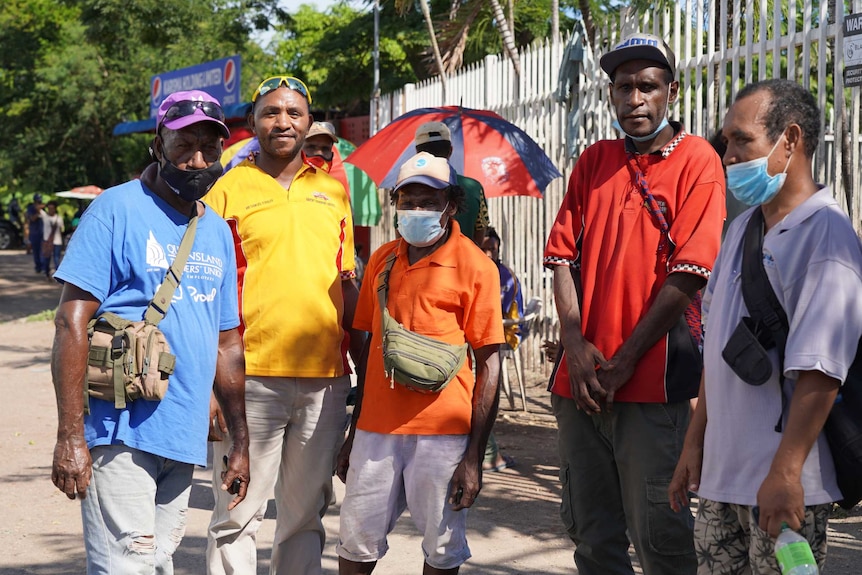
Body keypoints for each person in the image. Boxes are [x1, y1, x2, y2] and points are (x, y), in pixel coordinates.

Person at [543, 32, 725, 575]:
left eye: (648, 86)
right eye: (624, 87)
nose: (635, 99)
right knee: (592, 537)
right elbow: (560, 258)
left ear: (671, 90)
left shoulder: (698, 161)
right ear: (611, 94)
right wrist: (574, 345)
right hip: (578, 386)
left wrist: (624, 360)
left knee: (660, 541)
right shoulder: (594, 160)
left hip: (653, 385)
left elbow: (690, 272)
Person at [50, 89, 249, 574]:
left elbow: (226, 343)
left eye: (209, 146)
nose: (197, 159)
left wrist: (240, 442)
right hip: (119, 431)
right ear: (158, 146)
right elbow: (71, 319)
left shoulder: (218, 231)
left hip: (183, 436)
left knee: (156, 566)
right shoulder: (116, 209)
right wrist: (70, 436)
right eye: (183, 144)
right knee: (126, 567)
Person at [669, 79, 862, 574]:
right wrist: (695, 443)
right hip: (722, 479)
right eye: (725, 141)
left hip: (783, 485)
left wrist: (787, 471)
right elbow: (717, 345)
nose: (727, 154)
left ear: (790, 141)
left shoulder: (828, 236)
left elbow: (821, 369)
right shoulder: (741, 230)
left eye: (741, 140)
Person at [205, 75, 363, 575]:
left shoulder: (332, 192)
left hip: (325, 382)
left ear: (309, 122)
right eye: (272, 112)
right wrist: (210, 382)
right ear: (252, 122)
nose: (283, 122)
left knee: (304, 517)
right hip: (248, 378)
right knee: (237, 512)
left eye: (294, 113)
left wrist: (363, 364)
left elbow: (345, 282)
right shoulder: (227, 189)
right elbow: (206, 289)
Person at [336, 152, 504, 574]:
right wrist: (353, 433)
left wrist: (474, 457)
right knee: (355, 544)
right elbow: (369, 350)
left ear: (450, 204)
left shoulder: (476, 266)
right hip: (376, 429)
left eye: (428, 201)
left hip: (444, 433)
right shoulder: (381, 260)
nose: (416, 210)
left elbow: (490, 365)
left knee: (441, 550)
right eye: (407, 200)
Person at [481, 226, 522, 472]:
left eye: (491, 249)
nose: (487, 254)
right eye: (483, 248)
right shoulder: (471, 271)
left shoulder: (505, 277)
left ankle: (489, 454)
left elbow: (508, 316)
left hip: (502, 338)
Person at [411, 121, 490, 245]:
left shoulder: (408, 190)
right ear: (450, 150)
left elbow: (401, 237)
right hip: (465, 262)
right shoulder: (474, 188)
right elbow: (480, 234)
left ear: (417, 153)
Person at [40, 200, 64, 278]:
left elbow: (61, 230)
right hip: (47, 241)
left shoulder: (59, 218)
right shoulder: (45, 216)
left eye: (52, 208)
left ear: (55, 209)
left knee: (56, 258)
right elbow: (37, 208)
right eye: (49, 208)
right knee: (46, 258)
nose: (51, 210)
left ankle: (57, 275)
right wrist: (45, 205)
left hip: (57, 241)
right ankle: (47, 273)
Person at [26, 193, 44, 271]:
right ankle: (38, 266)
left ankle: (43, 266)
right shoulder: (31, 208)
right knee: (36, 251)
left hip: (43, 232)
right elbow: (32, 219)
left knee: (43, 251)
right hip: (34, 232)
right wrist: (38, 211)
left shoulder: (43, 208)